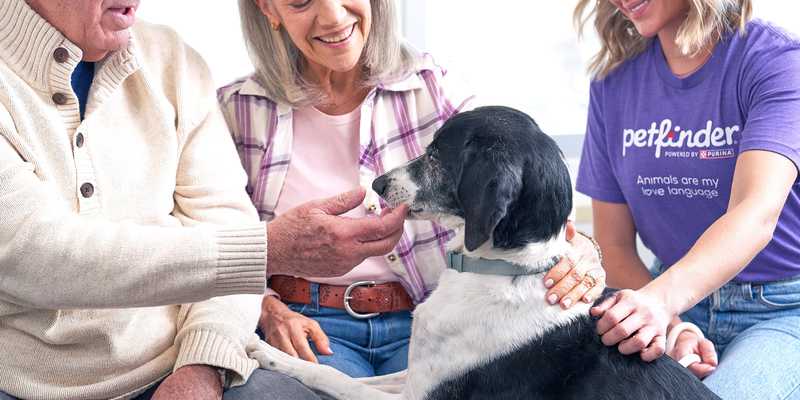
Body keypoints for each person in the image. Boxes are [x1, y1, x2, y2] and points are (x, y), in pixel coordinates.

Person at [0, 0, 410, 399]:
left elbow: (225, 223)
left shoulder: (174, 60)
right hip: (31, 383)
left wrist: (204, 364)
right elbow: (34, 255)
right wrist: (268, 249)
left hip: (180, 360)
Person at [219, 0, 608, 379]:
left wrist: (584, 252)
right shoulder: (237, 109)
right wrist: (266, 310)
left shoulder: (434, 86)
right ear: (267, 9)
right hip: (309, 325)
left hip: (434, 317)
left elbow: (526, 198)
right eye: (302, 2)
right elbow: (209, 244)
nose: (334, 17)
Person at [574, 0, 800, 398]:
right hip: (669, 296)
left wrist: (659, 303)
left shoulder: (776, 61)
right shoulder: (612, 83)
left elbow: (755, 213)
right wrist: (673, 324)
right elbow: (614, 246)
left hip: (782, 309)